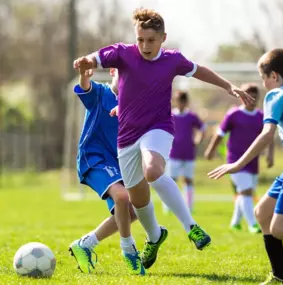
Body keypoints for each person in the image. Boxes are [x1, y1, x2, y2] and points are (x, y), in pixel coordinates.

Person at [74, 7, 253, 270]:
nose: (145, 45)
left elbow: (199, 69)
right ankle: (155, 237)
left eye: (151, 40)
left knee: (153, 170)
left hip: (158, 129)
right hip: (127, 140)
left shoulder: (172, 60)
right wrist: (85, 62)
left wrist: (228, 86)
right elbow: (96, 57)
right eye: (140, 39)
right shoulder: (123, 53)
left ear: (163, 38)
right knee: (138, 201)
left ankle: (191, 226)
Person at [208, 48, 283, 285]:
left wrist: (238, 163)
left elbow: (266, 134)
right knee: (262, 213)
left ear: (273, 75)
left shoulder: (275, 95)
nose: (263, 83)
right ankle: (281, 275)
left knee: (280, 229)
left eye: (263, 78)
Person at [69, 67, 145, 275]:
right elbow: (85, 87)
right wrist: (84, 74)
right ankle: (128, 249)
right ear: (113, 71)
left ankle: (85, 244)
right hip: (93, 158)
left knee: (134, 211)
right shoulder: (101, 93)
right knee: (122, 197)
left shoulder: (133, 106)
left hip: (118, 164)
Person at [205, 83, 274, 233]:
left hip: (252, 162)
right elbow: (220, 134)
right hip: (234, 160)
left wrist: (270, 155)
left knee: (245, 193)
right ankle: (253, 224)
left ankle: (235, 222)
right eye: (248, 96)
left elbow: (269, 137)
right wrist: (211, 150)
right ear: (242, 97)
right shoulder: (233, 114)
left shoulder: (261, 116)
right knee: (246, 191)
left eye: (254, 96)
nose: (251, 99)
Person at [163, 91, 205, 213]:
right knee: (171, 180)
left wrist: (197, 140)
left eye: (183, 101)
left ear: (186, 102)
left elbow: (202, 129)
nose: (180, 103)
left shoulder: (191, 116)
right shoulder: (170, 115)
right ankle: (169, 206)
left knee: (188, 180)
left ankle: (189, 207)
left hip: (188, 154)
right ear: (175, 102)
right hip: (173, 153)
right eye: (178, 101)